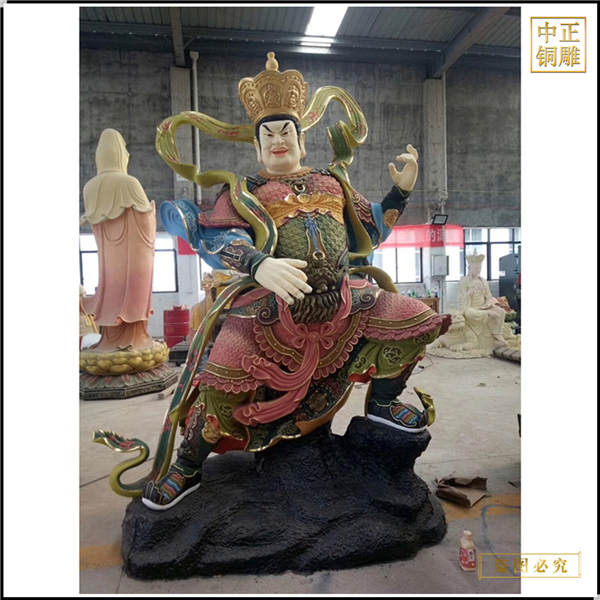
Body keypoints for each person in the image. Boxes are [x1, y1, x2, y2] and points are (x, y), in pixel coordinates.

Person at [143, 53, 450, 510]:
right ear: (256, 146)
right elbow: (218, 237)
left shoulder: (332, 182)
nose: (278, 140)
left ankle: (383, 403)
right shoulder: (244, 191)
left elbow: (370, 231)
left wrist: (400, 192)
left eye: (286, 131)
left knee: (416, 321)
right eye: (267, 135)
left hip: (345, 302)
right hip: (270, 310)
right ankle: (187, 464)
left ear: (302, 141)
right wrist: (257, 264)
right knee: (220, 380)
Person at [80, 129, 156, 352]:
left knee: (111, 288)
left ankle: (110, 341)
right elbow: (145, 219)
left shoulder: (89, 187)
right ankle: (135, 340)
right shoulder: (129, 183)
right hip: (135, 255)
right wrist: (152, 211)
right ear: (120, 154)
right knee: (133, 289)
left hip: (109, 257)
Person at [458, 249, 508, 350]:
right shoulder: (464, 281)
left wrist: (488, 303)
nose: (478, 270)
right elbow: (460, 298)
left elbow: (488, 296)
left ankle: (497, 333)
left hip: (484, 307)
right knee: (469, 313)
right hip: (471, 308)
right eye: (476, 268)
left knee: (501, 312)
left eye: (480, 268)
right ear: (470, 268)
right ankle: (488, 314)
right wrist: (468, 294)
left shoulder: (483, 281)